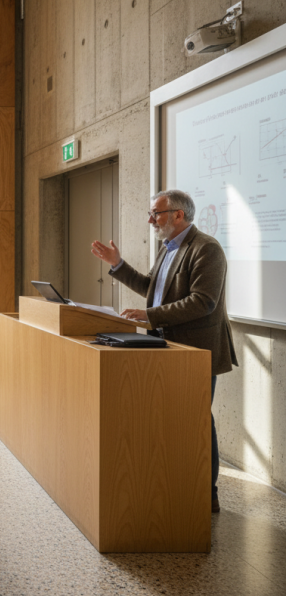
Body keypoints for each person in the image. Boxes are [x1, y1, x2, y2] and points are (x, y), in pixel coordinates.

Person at [91, 189, 238, 514]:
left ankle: (206, 493)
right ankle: (174, 482)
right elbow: (153, 289)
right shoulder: (168, 249)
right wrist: (118, 265)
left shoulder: (206, 249)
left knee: (197, 419)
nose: (150, 219)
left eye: (155, 213)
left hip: (196, 350)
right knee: (171, 418)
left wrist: (149, 316)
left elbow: (203, 301)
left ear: (178, 215)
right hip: (165, 344)